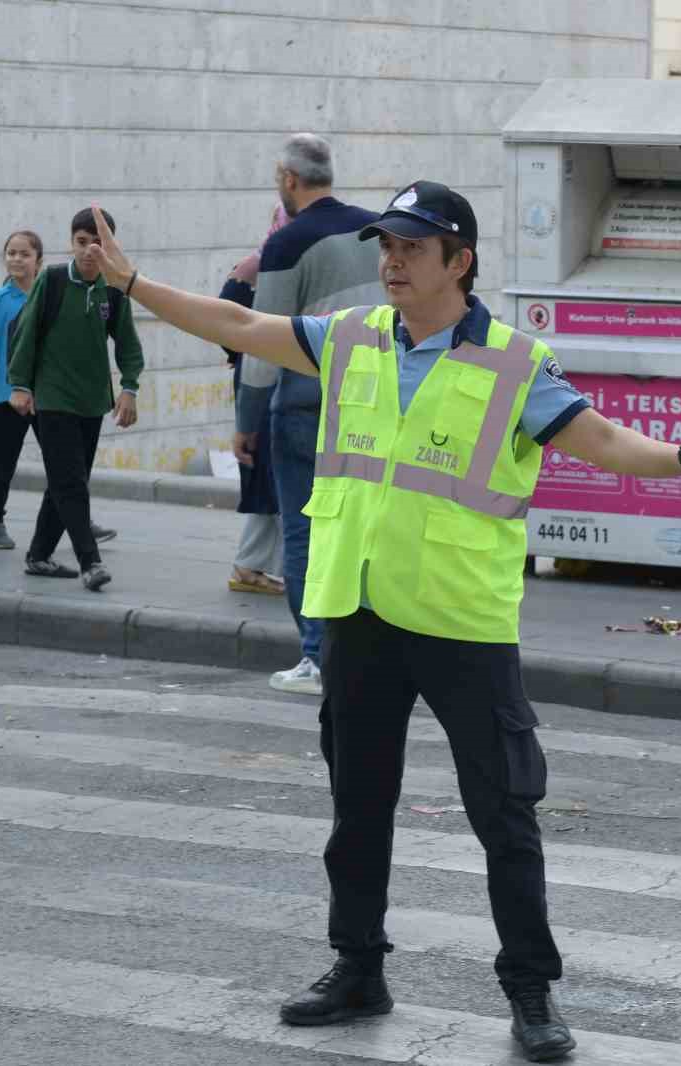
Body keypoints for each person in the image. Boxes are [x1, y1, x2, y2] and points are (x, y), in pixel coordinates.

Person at [81, 180, 681, 1063]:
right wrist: (136, 285)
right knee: (357, 807)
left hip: (461, 624)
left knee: (503, 814)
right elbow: (241, 326)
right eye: (386, 246)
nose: (391, 260)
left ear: (459, 262)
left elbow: (597, 440)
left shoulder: (515, 363)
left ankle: (530, 991)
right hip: (360, 612)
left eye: (410, 247)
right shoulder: (355, 338)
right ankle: (358, 968)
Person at [256, 134, 382, 696]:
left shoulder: (288, 243)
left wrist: (245, 421)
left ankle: (315, 655)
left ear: (288, 179)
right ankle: (362, 650)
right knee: (362, 528)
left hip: (308, 402)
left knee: (306, 529)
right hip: (378, 398)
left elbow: (263, 344)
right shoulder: (378, 228)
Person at [6, 208, 144, 591]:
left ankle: (38, 555)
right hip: (51, 398)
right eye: (82, 243)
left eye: (98, 244)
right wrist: (20, 384)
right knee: (71, 482)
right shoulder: (51, 281)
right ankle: (90, 562)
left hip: (92, 400)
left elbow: (128, 344)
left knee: (66, 479)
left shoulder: (114, 289)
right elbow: (26, 334)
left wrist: (129, 388)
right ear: (71, 242)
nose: (89, 251)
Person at [0, 231, 117, 552]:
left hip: (49, 396)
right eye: (11, 253)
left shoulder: (52, 292)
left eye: (24, 254)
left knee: (67, 465)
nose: (16, 259)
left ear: (38, 260)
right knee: (3, 464)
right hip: (9, 395)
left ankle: (79, 523)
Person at [224, 202, 291, 596]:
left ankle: (254, 565)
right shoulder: (253, 268)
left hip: (282, 375)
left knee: (274, 473)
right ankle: (252, 566)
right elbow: (226, 315)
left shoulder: (283, 264)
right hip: (259, 380)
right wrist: (238, 353)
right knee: (268, 468)